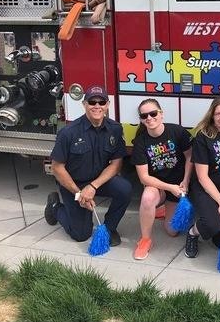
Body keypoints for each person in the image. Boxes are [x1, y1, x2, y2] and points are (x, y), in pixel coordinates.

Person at [44, 85, 132, 247]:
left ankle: (109, 228)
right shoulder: (69, 132)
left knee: (124, 189)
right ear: (84, 104)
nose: (97, 106)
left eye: (101, 102)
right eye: (92, 102)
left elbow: (116, 164)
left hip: (98, 182)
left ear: (107, 104)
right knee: (81, 234)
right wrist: (79, 194)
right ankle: (55, 207)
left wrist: (93, 186)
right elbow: (57, 168)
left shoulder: (115, 129)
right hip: (73, 184)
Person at [131, 98, 193, 260]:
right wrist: (169, 187)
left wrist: (185, 181)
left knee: (172, 231)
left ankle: (162, 211)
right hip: (158, 187)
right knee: (147, 198)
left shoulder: (177, 132)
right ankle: (145, 240)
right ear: (141, 120)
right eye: (144, 116)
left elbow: (190, 158)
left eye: (153, 113)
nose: (149, 118)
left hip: (178, 187)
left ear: (161, 114)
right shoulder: (140, 142)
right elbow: (144, 178)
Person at [184, 96, 220, 258]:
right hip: (206, 189)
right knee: (211, 225)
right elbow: (202, 177)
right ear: (212, 116)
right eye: (218, 114)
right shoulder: (203, 137)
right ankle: (193, 232)